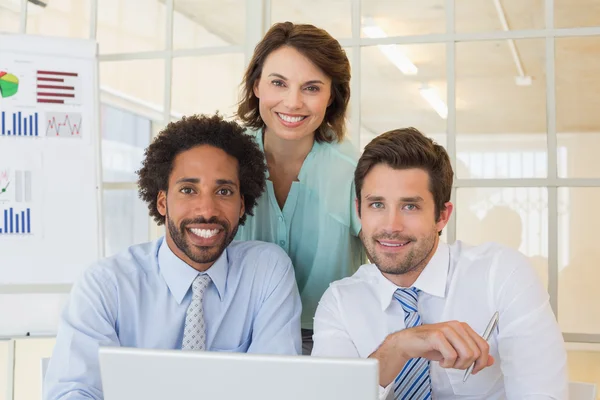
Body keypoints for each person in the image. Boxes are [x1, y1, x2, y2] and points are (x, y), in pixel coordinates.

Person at [44, 114, 302, 400]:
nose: (207, 209)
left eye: (224, 191)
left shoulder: (266, 273)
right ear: (163, 202)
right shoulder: (107, 285)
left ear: (242, 205)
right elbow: (72, 392)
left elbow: (275, 389)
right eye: (188, 190)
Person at [312, 128, 567, 399]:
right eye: (376, 205)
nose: (390, 225)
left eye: (410, 206)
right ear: (358, 210)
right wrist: (398, 347)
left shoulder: (502, 275)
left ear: (442, 216)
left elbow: (542, 394)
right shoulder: (340, 302)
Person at [236, 21, 366, 355]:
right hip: (237, 331)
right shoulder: (226, 161)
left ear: (331, 96)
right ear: (256, 86)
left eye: (311, 87)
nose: (292, 103)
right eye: (278, 83)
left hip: (329, 337)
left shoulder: (356, 171)